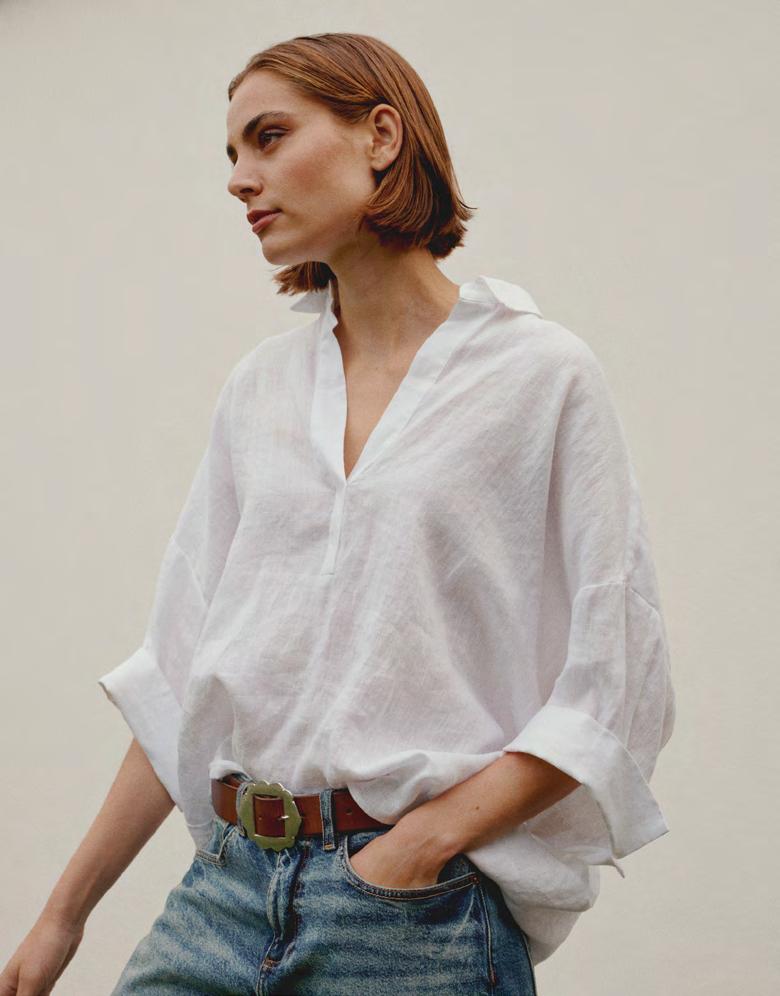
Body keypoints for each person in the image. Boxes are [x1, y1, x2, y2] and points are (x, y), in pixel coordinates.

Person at [0, 31, 675, 995]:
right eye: (233, 153)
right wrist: (62, 918)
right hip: (227, 892)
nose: (240, 178)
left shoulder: (540, 376)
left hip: (412, 916)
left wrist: (418, 845)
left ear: (382, 136)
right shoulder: (262, 389)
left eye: (269, 137)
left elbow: (615, 681)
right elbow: (181, 678)